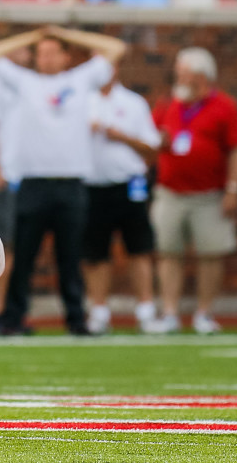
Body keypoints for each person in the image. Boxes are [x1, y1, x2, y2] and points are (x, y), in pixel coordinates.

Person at [0, 25, 126, 336]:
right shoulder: (25, 81)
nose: (44, 58)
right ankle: (13, 318)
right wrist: (32, 36)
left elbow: (115, 49)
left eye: (51, 52)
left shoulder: (80, 79)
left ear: (65, 56)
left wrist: (67, 33)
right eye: (40, 53)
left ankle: (76, 320)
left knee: (71, 257)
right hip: (33, 183)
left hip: (71, 184)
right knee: (24, 257)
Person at [148, 48, 237, 335]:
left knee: (211, 254)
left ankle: (204, 312)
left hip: (210, 194)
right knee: (168, 253)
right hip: (170, 192)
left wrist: (233, 189)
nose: (178, 76)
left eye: (184, 71)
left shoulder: (224, 106)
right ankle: (169, 313)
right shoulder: (169, 104)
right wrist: (159, 141)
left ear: (201, 76)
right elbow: (150, 138)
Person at [84, 62, 161, 335]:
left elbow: (151, 147)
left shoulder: (133, 103)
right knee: (95, 253)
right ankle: (99, 312)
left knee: (139, 249)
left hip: (129, 185)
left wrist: (120, 136)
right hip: (93, 186)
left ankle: (146, 311)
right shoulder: (82, 101)